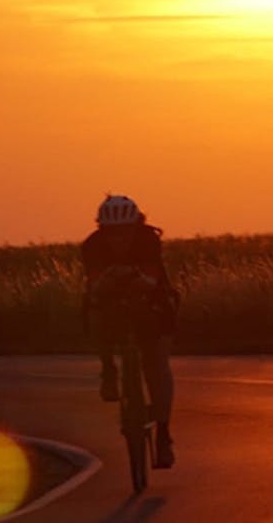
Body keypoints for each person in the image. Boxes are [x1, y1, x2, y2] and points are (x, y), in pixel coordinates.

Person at [81, 194, 178, 468]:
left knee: (157, 365)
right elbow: (95, 285)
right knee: (93, 311)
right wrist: (110, 280)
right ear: (102, 230)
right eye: (112, 233)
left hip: (150, 300)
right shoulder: (92, 246)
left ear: (136, 226)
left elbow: (152, 281)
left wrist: (134, 277)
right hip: (110, 301)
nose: (119, 238)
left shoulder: (149, 240)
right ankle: (108, 369)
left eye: (125, 231)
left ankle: (163, 435)